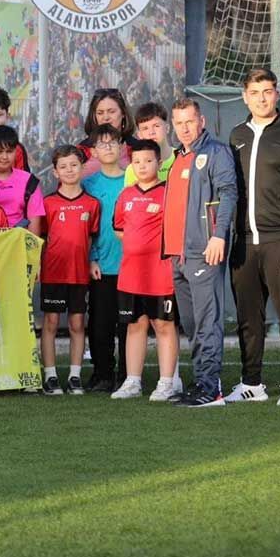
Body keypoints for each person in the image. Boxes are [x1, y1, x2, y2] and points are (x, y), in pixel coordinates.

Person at [227, 67, 280, 406]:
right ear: (244, 97)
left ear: (277, 94)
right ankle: (252, 383)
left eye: (267, 91)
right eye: (255, 92)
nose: (261, 99)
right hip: (244, 242)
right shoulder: (236, 135)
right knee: (248, 318)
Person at [164, 99, 237, 408]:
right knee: (192, 324)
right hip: (177, 255)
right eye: (179, 123)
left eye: (190, 121)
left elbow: (228, 193)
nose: (184, 128)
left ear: (202, 121)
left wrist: (218, 236)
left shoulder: (216, 152)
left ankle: (211, 388)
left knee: (207, 322)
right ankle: (201, 382)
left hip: (204, 250)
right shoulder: (178, 157)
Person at [111, 140, 179, 401]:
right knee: (134, 325)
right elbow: (119, 229)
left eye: (148, 161)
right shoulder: (126, 195)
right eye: (137, 161)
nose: (142, 166)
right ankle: (133, 381)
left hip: (161, 273)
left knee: (163, 324)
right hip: (131, 274)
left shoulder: (168, 192)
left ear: (159, 163)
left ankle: (167, 382)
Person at [38, 145, 101, 396]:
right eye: (63, 166)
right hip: (53, 273)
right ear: (55, 172)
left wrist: (92, 262)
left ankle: (75, 376)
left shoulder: (92, 204)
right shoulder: (48, 203)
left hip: (78, 274)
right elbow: (41, 239)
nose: (69, 170)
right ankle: (50, 376)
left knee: (77, 323)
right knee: (51, 322)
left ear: (82, 167)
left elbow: (92, 238)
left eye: (74, 165)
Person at [81, 124, 127, 392]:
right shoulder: (88, 185)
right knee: (100, 325)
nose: (108, 148)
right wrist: (91, 258)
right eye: (102, 144)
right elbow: (84, 228)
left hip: (129, 266)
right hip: (101, 266)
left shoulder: (132, 180)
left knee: (128, 325)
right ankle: (102, 374)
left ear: (122, 147)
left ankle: (127, 375)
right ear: (94, 152)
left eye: (113, 142)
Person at [0, 125, 44, 235]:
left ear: (16, 151)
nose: (4, 157)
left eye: (9, 151)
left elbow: (34, 232)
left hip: (17, 243)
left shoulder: (30, 182)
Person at [78, 88, 137, 169]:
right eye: (100, 113)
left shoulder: (137, 148)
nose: (106, 117)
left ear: (123, 113)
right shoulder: (83, 150)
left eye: (111, 112)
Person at [125, 102, 175, 186]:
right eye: (145, 128)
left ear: (167, 128)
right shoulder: (133, 169)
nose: (151, 132)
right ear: (139, 135)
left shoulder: (181, 158)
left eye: (156, 126)